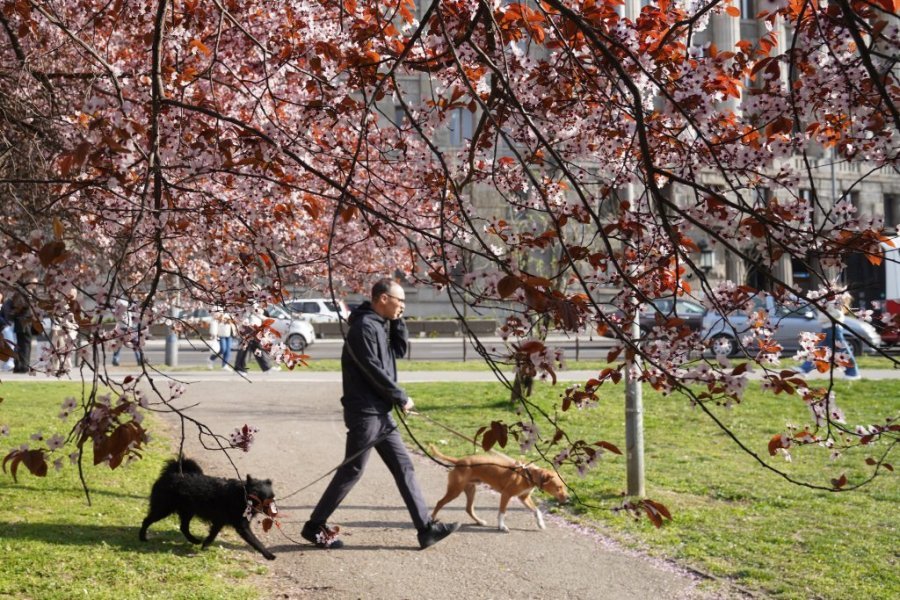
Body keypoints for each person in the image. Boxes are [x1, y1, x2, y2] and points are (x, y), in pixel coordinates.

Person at [301, 278, 458, 550]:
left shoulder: (380, 324)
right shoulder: (363, 327)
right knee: (352, 470)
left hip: (381, 413)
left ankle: (426, 529)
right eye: (400, 301)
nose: (403, 306)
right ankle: (314, 527)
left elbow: (399, 350)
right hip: (365, 413)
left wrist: (397, 321)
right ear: (383, 299)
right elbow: (371, 369)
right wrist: (400, 396)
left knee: (404, 466)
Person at [799, 293, 860, 380]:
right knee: (821, 351)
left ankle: (853, 373)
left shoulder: (834, 303)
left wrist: (823, 316)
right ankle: (804, 369)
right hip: (828, 329)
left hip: (833, 329)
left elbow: (837, 314)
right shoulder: (828, 304)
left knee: (842, 351)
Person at [0, 290, 17, 371]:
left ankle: (10, 362)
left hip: (6, 327)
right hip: (4, 327)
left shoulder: (5, 304)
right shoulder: (5, 305)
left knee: (10, 344)